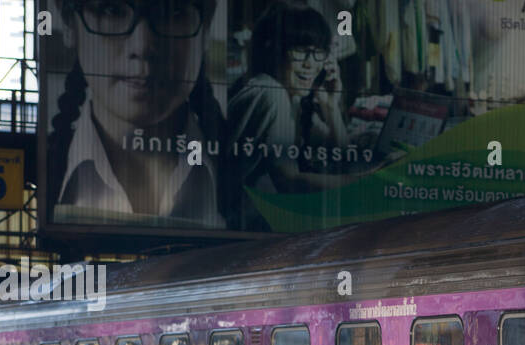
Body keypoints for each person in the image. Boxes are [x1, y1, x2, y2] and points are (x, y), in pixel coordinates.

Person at [46, 0, 227, 228]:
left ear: (206, 28)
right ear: (69, 24)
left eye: (172, 12)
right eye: (112, 10)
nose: (142, 47)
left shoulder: (258, 190)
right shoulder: (40, 173)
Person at [228, 2, 358, 228]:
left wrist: (330, 106)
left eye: (318, 52)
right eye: (299, 51)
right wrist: (363, 185)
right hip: (242, 233)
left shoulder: (291, 98)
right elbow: (290, 182)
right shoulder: (268, 93)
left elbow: (344, 160)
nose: (310, 64)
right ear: (274, 50)